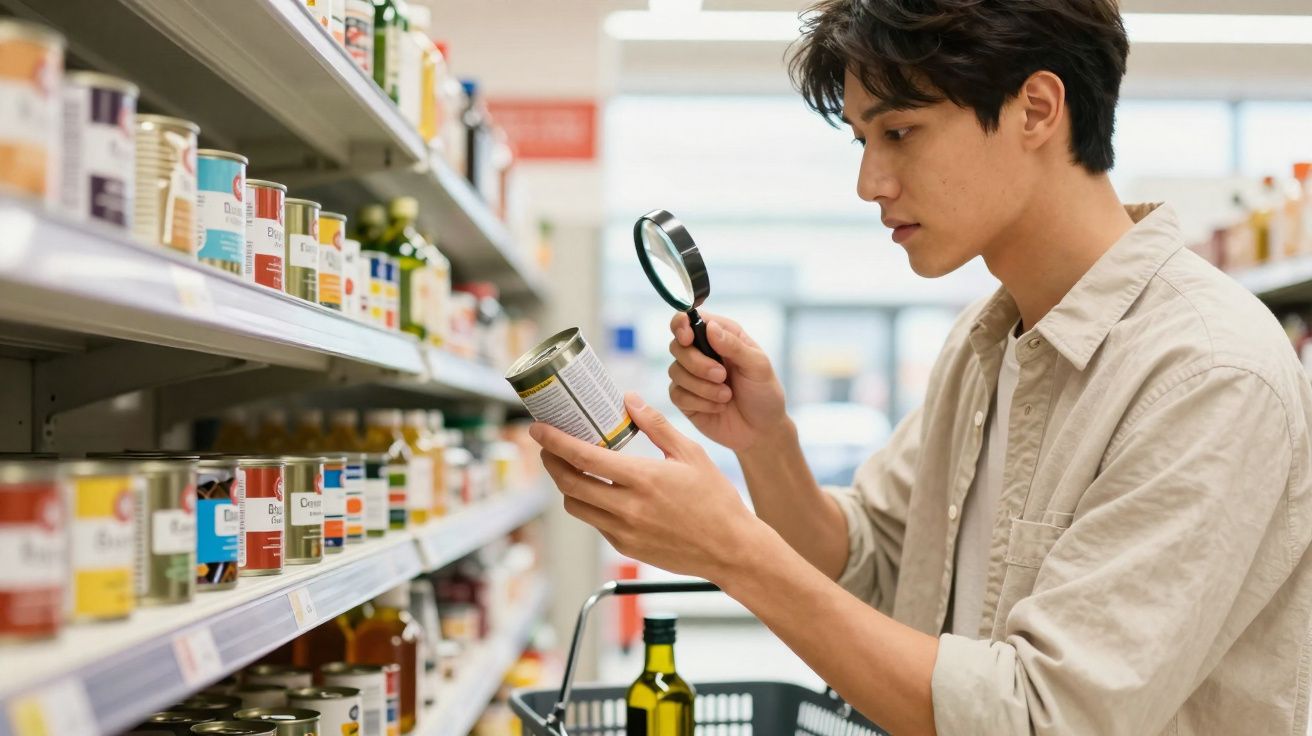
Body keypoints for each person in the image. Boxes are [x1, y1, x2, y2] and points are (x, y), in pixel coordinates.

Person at [529, 0, 1312, 733]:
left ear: (1036, 109)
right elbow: (866, 557)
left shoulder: (1207, 372)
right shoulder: (985, 339)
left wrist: (733, 550)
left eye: (899, 132)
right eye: (862, 142)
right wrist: (764, 443)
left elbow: (1043, 716)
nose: (870, 183)